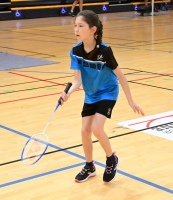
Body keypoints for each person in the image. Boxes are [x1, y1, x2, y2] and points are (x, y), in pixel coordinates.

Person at [60, 10, 144, 183]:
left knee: (97, 129)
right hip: (91, 94)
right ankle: (89, 166)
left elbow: (120, 76)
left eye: (80, 26)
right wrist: (66, 93)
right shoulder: (75, 51)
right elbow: (77, 81)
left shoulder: (104, 51)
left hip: (108, 91)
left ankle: (111, 159)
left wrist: (131, 101)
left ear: (93, 29)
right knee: (84, 131)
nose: (76, 29)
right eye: (75, 26)